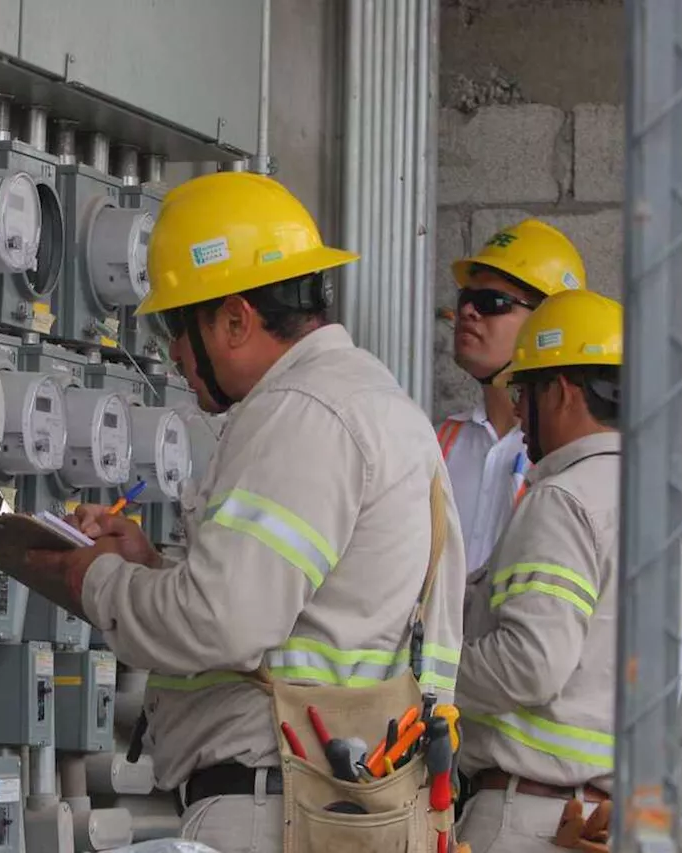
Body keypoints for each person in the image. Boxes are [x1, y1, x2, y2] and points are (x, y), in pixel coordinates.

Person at [24, 172, 466, 853]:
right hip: (353, 802)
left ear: (235, 318)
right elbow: (290, 603)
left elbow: (222, 620)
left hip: (276, 805)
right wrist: (149, 566)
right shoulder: (382, 406)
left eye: (178, 323)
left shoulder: (300, 413)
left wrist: (93, 579)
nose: (172, 352)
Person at [453, 289, 640, 852]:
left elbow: (530, 665)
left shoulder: (562, 498)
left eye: (523, 390)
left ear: (560, 391)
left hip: (528, 818)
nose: (516, 410)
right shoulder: (644, 503)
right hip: (600, 820)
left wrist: (427, 675)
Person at [440, 219, 585, 578]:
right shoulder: (436, 441)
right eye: (466, 299)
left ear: (550, 323)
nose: (469, 312)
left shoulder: (575, 460)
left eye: (493, 302)